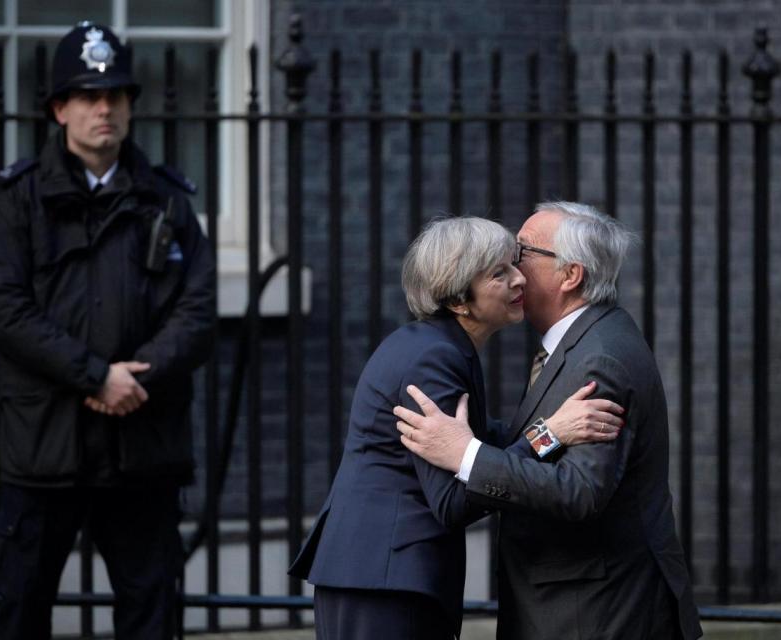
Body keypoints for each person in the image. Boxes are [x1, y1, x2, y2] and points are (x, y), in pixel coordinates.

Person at [0, 21, 215, 640]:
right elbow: (6, 311)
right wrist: (95, 376)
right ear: (60, 109)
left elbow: (198, 310)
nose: (104, 109)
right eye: (87, 96)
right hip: (42, 448)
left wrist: (133, 379)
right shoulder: (18, 200)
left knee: (150, 613)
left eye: (115, 96)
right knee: (23, 608)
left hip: (143, 447)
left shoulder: (168, 201)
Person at [289, 217, 625, 640]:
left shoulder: (435, 346)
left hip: (378, 575)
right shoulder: (434, 360)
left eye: (513, 264)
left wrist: (547, 427)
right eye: (499, 273)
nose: (520, 279)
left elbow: (479, 437)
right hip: (386, 582)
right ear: (459, 299)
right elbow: (452, 500)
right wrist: (550, 435)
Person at [396, 202, 703, 639]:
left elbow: (580, 490)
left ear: (570, 275)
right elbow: (542, 440)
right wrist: (520, 434)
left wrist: (467, 455)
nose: (512, 266)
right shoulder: (584, 339)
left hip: (595, 614)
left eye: (521, 252)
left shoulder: (599, 359)